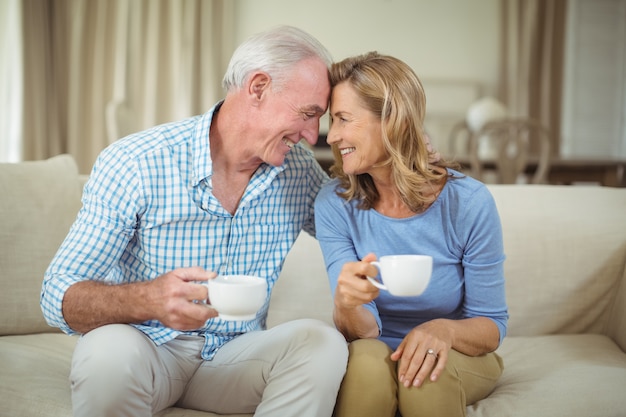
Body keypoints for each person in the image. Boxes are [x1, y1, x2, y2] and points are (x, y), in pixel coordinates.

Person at [41, 26, 348, 417]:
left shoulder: (298, 172)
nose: (311, 135)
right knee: (105, 353)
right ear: (257, 87)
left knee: (322, 343)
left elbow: (364, 229)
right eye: (308, 114)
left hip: (235, 359)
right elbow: (57, 296)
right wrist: (149, 299)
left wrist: (403, 163)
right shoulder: (137, 162)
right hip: (148, 347)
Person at [314, 52, 508, 417]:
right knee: (367, 366)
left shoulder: (468, 202)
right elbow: (364, 332)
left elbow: (492, 324)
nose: (334, 135)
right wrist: (346, 302)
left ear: (392, 121)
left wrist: (444, 331)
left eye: (343, 119)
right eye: (331, 120)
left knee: (424, 376)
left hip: (458, 351)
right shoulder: (335, 204)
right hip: (374, 345)